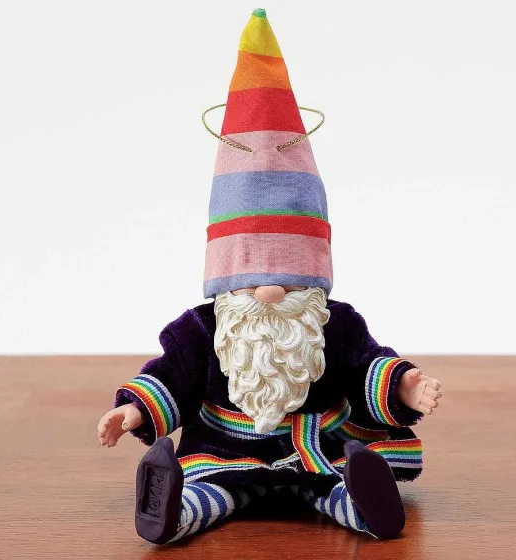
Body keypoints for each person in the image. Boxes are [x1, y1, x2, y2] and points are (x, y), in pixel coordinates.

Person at [97, 8, 442, 544]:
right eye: (250, 279)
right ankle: (170, 511)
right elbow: (172, 376)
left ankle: (368, 504)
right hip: (225, 453)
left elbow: (364, 366)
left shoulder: (335, 323)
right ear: (222, 281)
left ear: (318, 280)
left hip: (317, 451)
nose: (271, 293)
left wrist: (403, 385)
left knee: (333, 486)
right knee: (211, 491)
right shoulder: (202, 328)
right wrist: (134, 412)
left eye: (292, 280)